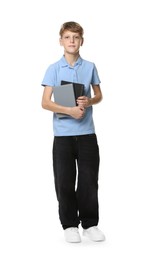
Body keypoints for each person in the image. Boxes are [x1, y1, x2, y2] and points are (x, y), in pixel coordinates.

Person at [41, 21, 105, 243]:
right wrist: (68, 109)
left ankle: (90, 224)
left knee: (89, 180)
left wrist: (88, 102)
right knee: (65, 181)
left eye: (75, 37)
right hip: (63, 136)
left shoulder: (90, 67)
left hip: (87, 133)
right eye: (67, 37)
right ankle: (69, 225)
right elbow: (45, 102)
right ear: (61, 41)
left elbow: (99, 96)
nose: (71, 41)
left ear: (81, 41)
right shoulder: (54, 69)